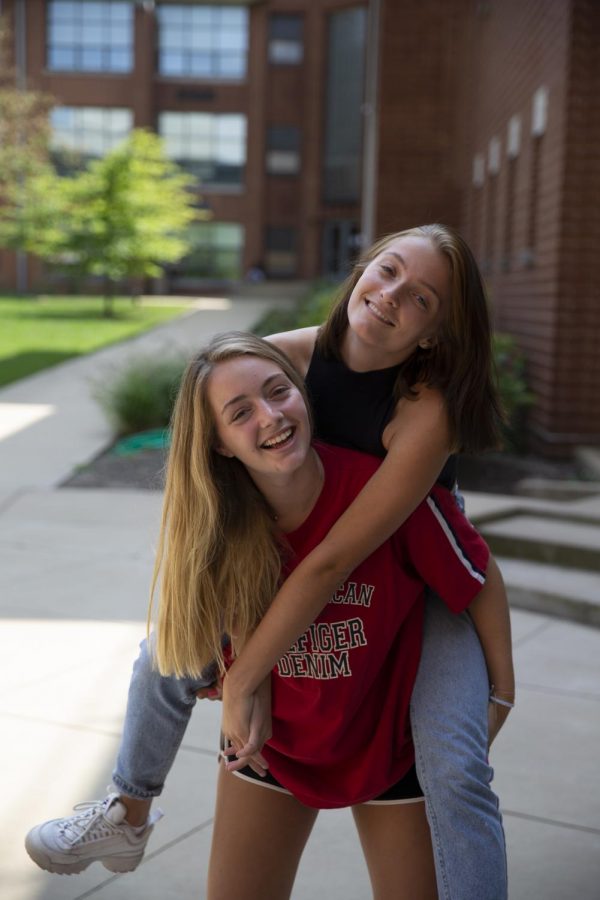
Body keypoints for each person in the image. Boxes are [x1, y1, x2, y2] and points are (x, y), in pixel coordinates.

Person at [25, 225, 515, 898]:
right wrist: (221, 645)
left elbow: (339, 558)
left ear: (432, 334)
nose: (392, 295)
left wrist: (244, 675)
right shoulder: (279, 364)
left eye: (422, 297)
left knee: (456, 763)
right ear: (363, 267)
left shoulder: (422, 410)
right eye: (389, 270)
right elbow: (209, 508)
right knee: (163, 657)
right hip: (288, 585)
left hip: (406, 577)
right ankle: (128, 810)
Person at [156, 332, 511, 899]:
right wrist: (237, 679)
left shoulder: (386, 494)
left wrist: (503, 690)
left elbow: (476, 573)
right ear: (219, 443)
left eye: (278, 392)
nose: (270, 417)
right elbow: (195, 636)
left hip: (389, 749)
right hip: (272, 748)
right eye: (240, 412)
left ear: (303, 392)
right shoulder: (218, 523)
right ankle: (124, 804)